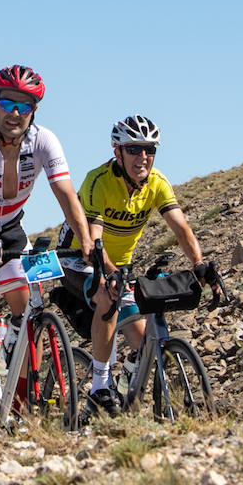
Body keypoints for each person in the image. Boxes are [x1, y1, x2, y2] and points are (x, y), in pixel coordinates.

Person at [0, 65, 95, 402]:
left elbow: (67, 195)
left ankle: (20, 405)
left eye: (23, 106)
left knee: (26, 312)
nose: (14, 113)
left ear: (34, 111)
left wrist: (87, 242)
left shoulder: (44, 141)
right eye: (7, 103)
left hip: (9, 225)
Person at [57, 113, 208, 417]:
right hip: (77, 258)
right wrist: (111, 273)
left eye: (150, 150)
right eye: (134, 149)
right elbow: (93, 242)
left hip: (119, 265)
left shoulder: (157, 183)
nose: (143, 157)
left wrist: (200, 264)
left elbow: (181, 228)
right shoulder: (98, 181)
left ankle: (122, 388)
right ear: (118, 152)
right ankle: (100, 385)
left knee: (141, 342)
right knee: (106, 295)